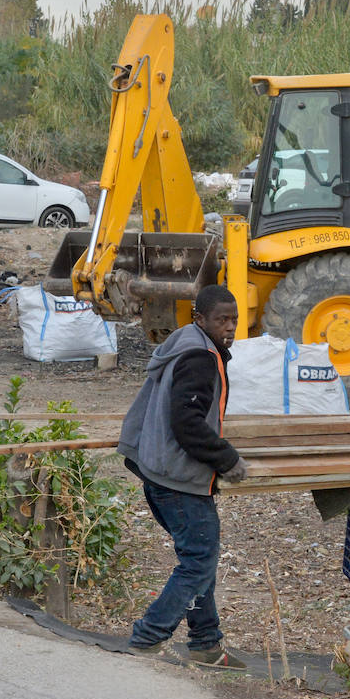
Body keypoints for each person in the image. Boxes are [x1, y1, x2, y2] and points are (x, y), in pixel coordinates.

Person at [120, 283, 249, 668]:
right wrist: (226, 459)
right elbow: (187, 423)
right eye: (221, 320)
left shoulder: (185, 343)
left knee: (199, 559)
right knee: (197, 561)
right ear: (200, 319)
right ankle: (148, 636)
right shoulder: (199, 356)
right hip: (178, 479)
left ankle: (206, 643)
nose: (229, 327)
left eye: (234, 320)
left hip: (158, 470)